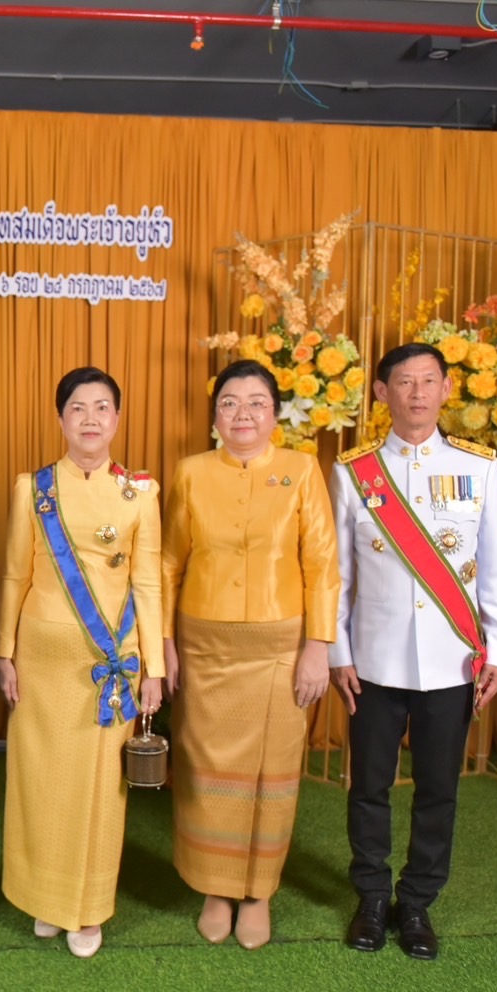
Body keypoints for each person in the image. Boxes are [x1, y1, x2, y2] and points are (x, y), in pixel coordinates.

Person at [330, 342, 497, 961]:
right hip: (374, 662)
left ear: (444, 390)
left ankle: (417, 905)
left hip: (451, 660)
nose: (415, 393)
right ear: (381, 393)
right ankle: (373, 897)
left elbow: (494, 570)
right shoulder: (352, 472)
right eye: (403, 382)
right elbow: (338, 576)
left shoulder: (479, 467)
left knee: (439, 789)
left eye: (427, 381)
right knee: (369, 788)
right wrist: (338, 653)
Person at [160, 358, 339, 950]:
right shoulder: (188, 473)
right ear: (215, 415)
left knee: (273, 772)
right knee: (207, 770)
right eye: (230, 402)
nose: (243, 413)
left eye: (256, 402)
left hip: (281, 648)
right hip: (204, 644)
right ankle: (216, 887)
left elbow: (322, 564)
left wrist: (319, 647)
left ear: (275, 413)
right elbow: (168, 564)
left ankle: (258, 892)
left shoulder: (301, 469)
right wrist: (163, 643)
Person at [0, 367, 163, 959]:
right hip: (43, 659)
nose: (90, 420)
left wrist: (155, 669)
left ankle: (87, 909)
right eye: (77, 409)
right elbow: (14, 573)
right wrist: (4, 652)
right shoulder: (32, 487)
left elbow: (149, 584)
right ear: (61, 418)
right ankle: (44, 897)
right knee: (42, 781)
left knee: (96, 788)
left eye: (102, 408)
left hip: (111, 659)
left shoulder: (141, 493)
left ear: (117, 418)